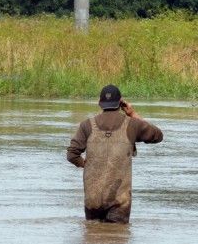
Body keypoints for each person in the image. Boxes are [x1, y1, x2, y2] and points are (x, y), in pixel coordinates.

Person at [66, 84, 163, 223]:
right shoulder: (132, 124)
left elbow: (72, 155)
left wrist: (85, 164)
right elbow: (157, 136)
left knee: (93, 233)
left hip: (93, 199)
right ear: (120, 102)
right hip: (119, 201)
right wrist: (132, 114)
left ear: (99, 103)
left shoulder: (86, 125)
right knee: (116, 234)